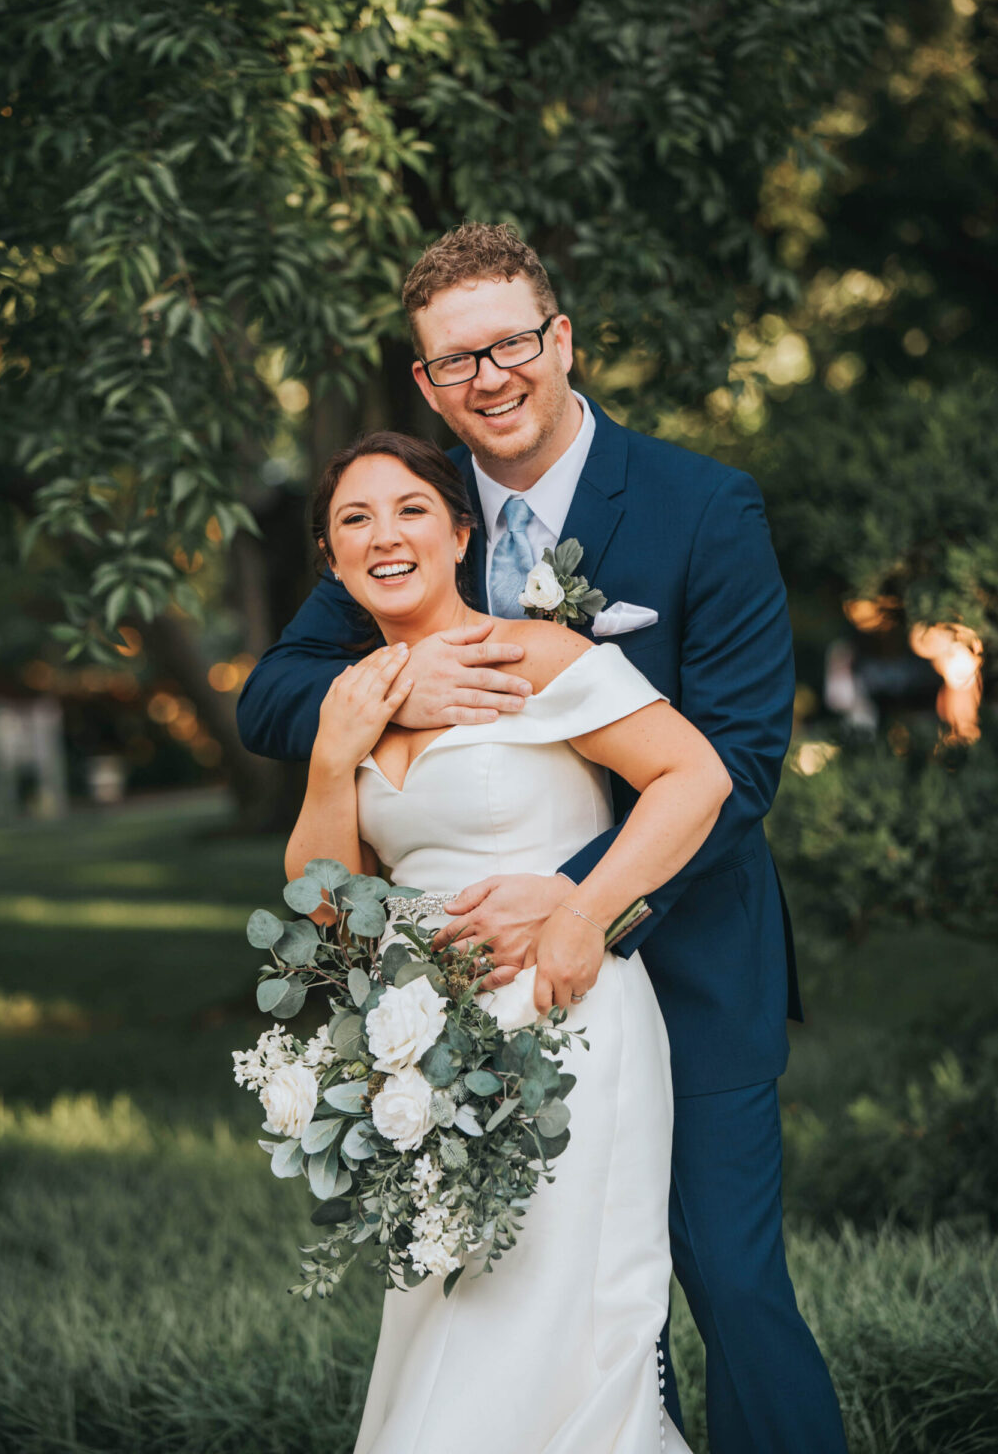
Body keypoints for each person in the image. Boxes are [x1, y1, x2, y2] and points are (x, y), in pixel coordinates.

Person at [237, 223, 849, 1454]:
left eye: (510, 343)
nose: (488, 377)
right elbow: (277, 692)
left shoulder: (698, 505)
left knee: (724, 1281)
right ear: (425, 380)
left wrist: (573, 899)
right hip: (487, 996)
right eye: (455, 360)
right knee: (567, 1306)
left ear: (558, 340)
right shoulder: (414, 504)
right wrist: (401, 686)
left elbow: (733, 768)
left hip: (686, 957)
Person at [286, 432, 730, 1452]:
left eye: (407, 510)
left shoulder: (526, 653)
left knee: (553, 1332)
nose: (382, 534)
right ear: (331, 558)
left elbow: (694, 780)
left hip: (564, 1019)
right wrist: (329, 757)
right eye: (354, 519)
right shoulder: (353, 697)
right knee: (448, 1315)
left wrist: (582, 912)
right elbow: (322, 908)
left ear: (457, 533)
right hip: (427, 1055)